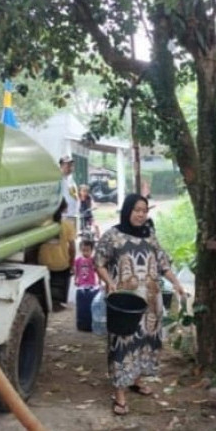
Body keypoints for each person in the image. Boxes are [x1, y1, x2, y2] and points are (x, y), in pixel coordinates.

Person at [94, 193, 185, 416]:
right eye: (136, 210)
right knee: (122, 344)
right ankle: (120, 395)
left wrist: (177, 284)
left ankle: (136, 379)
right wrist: (110, 283)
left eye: (144, 211)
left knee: (146, 341)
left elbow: (163, 264)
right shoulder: (113, 236)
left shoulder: (150, 236)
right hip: (125, 303)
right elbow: (99, 262)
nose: (141, 215)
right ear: (127, 211)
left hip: (150, 303)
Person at [38, 199, 76, 312]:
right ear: (64, 208)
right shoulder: (67, 225)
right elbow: (72, 248)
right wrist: (71, 263)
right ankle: (58, 304)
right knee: (60, 288)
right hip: (62, 264)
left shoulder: (42, 224)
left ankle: (46, 305)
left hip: (44, 263)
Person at [59, 155, 79, 226]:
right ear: (61, 166)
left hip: (73, 214)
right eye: (67, 165)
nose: (70, 167)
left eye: (71, 165)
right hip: (64, 216)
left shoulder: (70, 179)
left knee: (72, 237)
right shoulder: (59, 179)